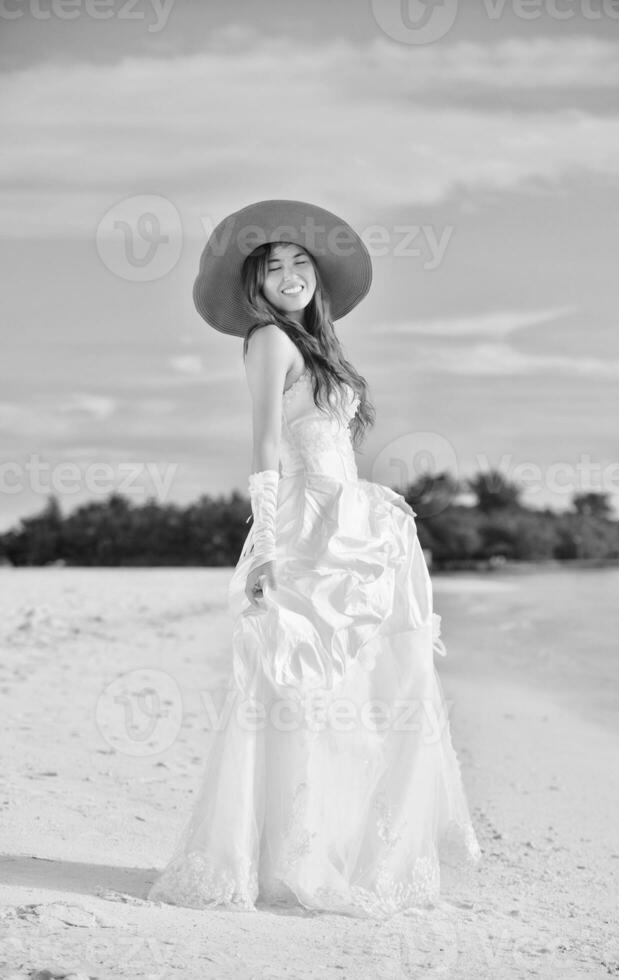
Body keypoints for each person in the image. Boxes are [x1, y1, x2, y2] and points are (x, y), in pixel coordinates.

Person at [146, 199, 481, 918]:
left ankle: (327, 846)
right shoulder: (268, 342)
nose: (290, 274)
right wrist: (265, 543)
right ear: (256, 284)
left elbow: (332, 443)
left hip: (348, 526)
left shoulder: (318, 347)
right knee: (299, 684)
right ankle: (285, 858)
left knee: (351, 690)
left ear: (317, 278)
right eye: (274, 266)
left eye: (301, 263)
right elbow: (265, 441)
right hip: (303, 526)